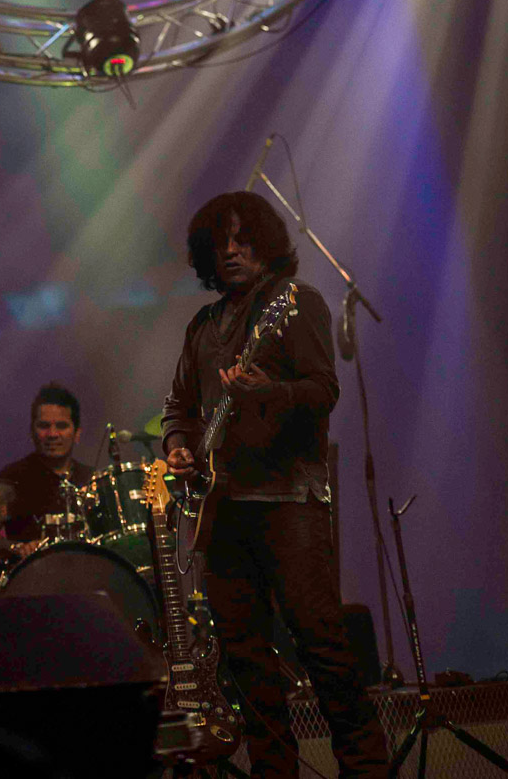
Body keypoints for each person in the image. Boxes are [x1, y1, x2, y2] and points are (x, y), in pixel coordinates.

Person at [162, 191, 389, 778]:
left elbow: (324, 391)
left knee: (321, 644)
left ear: (265, 244)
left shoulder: (296, 301)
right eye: (220, 243)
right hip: (221, 512)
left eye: (243, 239)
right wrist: (178, 446)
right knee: (246, 663)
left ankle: (365, 767)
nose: (231, 251)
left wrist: (271, 393)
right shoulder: (202, 325)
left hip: (289, 503)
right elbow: (177, 408)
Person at [0, 382, 92, 558]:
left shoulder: (91, 479)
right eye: (44, 426)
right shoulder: (11, 478)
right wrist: (16, 548)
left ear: (77, 433)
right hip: (30, 573)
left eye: (61, 426)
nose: (52, 434)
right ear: (31, 431)